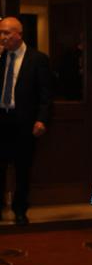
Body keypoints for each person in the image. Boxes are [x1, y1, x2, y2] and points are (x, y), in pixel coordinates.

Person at [0, 16, 52, 224]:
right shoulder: (1, 57)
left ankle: (20, 209)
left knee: (23, 167)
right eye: (0, 33)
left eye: (6, 33)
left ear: (18, 34)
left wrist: (42, 119)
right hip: (1, 119)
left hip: (24, 121)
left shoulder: (37, 59)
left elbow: (46, 93)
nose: (2, 37)